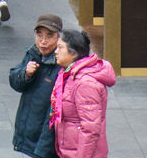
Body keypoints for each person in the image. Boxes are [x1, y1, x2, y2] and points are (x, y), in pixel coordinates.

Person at [48, 24, 116, 158]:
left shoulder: (85, 84)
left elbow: (90, 129)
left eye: (60, 47)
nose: (56, 51)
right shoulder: (68, 75)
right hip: (68, 151)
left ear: (73, 53)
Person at [11, 15, 66, 157]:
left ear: (58, 38)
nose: (43, 41)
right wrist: (25, 74)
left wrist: (42, 149)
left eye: (49, 36)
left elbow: (55, 112)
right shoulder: (34, 53)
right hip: (29, 132)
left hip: (45, 141)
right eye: (39, 35)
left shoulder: (61, 65)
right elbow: (15, 82)